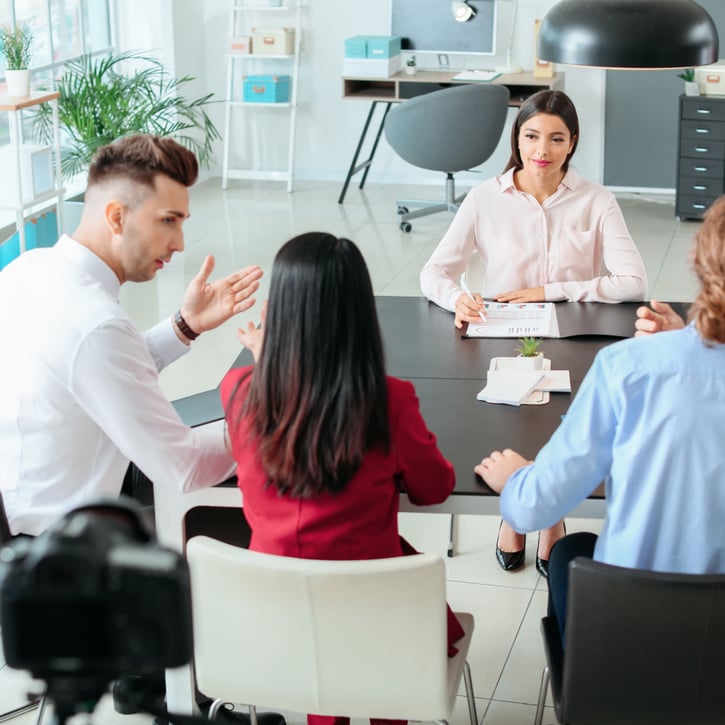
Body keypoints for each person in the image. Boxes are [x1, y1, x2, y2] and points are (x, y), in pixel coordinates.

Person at [221, 232, 464, 725]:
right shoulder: (389, 401)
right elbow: (434, 489)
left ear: (279, 312)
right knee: (393, 595)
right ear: (360, 314)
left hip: (274, 615)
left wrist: (266, 355)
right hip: (372, 616)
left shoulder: (240, 393)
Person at [475, 193, 725, 643]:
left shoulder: (629, 366)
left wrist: (517, 479)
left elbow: (535, 507)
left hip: (634, 644)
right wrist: (689, 339)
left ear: (702, 261)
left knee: (571, 549)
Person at [420, 89, 648, 576]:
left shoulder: (596, 200)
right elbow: (433, 273)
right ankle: (519, 511)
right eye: (530, 136)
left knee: (563, 424)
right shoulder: (485, 198)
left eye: (555, 138)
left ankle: (548, 514)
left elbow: (633, 283)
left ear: (572, 143)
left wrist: (551, 289)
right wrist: (457, 297)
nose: (541, 149)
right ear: (517, 139)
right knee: (510, 421)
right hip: (502, 335)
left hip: (573, 334)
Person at [0, 134, 263, 538]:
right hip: (59, 556)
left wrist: (185, 325)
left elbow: (93, 370)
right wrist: (273, 426)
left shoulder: (28, 268)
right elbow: (184, 466)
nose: (179, 244)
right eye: (168, 221)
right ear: (117, 217)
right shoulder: (96, 323)